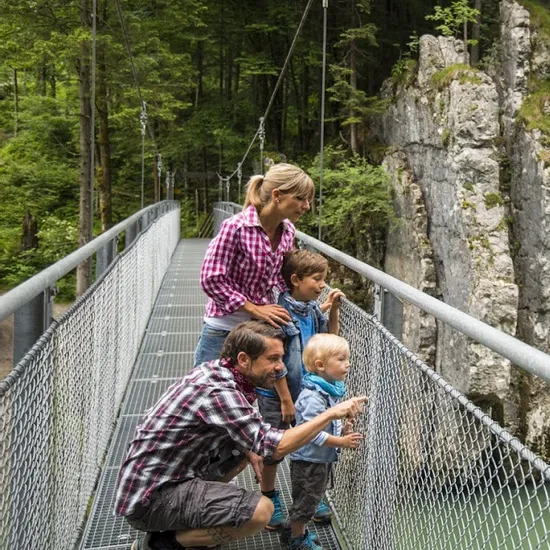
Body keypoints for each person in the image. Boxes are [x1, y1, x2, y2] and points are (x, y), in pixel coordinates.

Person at [115, 321, 366, 550]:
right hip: (150, 500)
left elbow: (251, 439)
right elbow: (272, 446)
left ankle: (188, 525)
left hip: (159, 481)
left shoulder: (220, 372)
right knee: (261, 512)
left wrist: (248, 451)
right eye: (273, 358)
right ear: (244, 359)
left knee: (246, 453)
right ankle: (164, 543)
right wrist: (331, 414)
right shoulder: (219, 391)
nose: (281, 368)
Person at [255, 249, 345, 529]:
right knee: (276, 449)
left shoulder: (311, 309)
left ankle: (308, 496)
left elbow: (328, 341)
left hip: (306, 394)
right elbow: (276, 361)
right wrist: (285, 399)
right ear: (295, 279)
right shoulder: (280, 315)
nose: (322, 286)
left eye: (324, 280)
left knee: (306, 443)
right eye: (317, 280)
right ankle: (270, 499)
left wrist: (333, 310)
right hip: (279, 395)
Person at [194, 163, 315, 365]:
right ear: (277, 195)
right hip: (224, 329)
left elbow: (280, 279)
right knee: (208, 393)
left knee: (246, 396)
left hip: (260, 332)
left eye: (308, 200)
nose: (307, 206)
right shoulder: (236, 227)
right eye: (300, 198)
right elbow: (210, 279)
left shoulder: (288, 232)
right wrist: (254, 308)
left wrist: (307, 301)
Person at [287, 334, 362, 550]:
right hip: (309, 461)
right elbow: (313, 433)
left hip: (317, 459)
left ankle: (296, 532)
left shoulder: (326, 390)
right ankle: (297, 540)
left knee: (310, 497)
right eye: (341, 359)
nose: (347, 364)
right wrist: (341, 441)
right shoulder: (313, 397)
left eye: (347, 358)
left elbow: (326, 422)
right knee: (306, 500)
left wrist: (344, 428)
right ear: (320, 365)